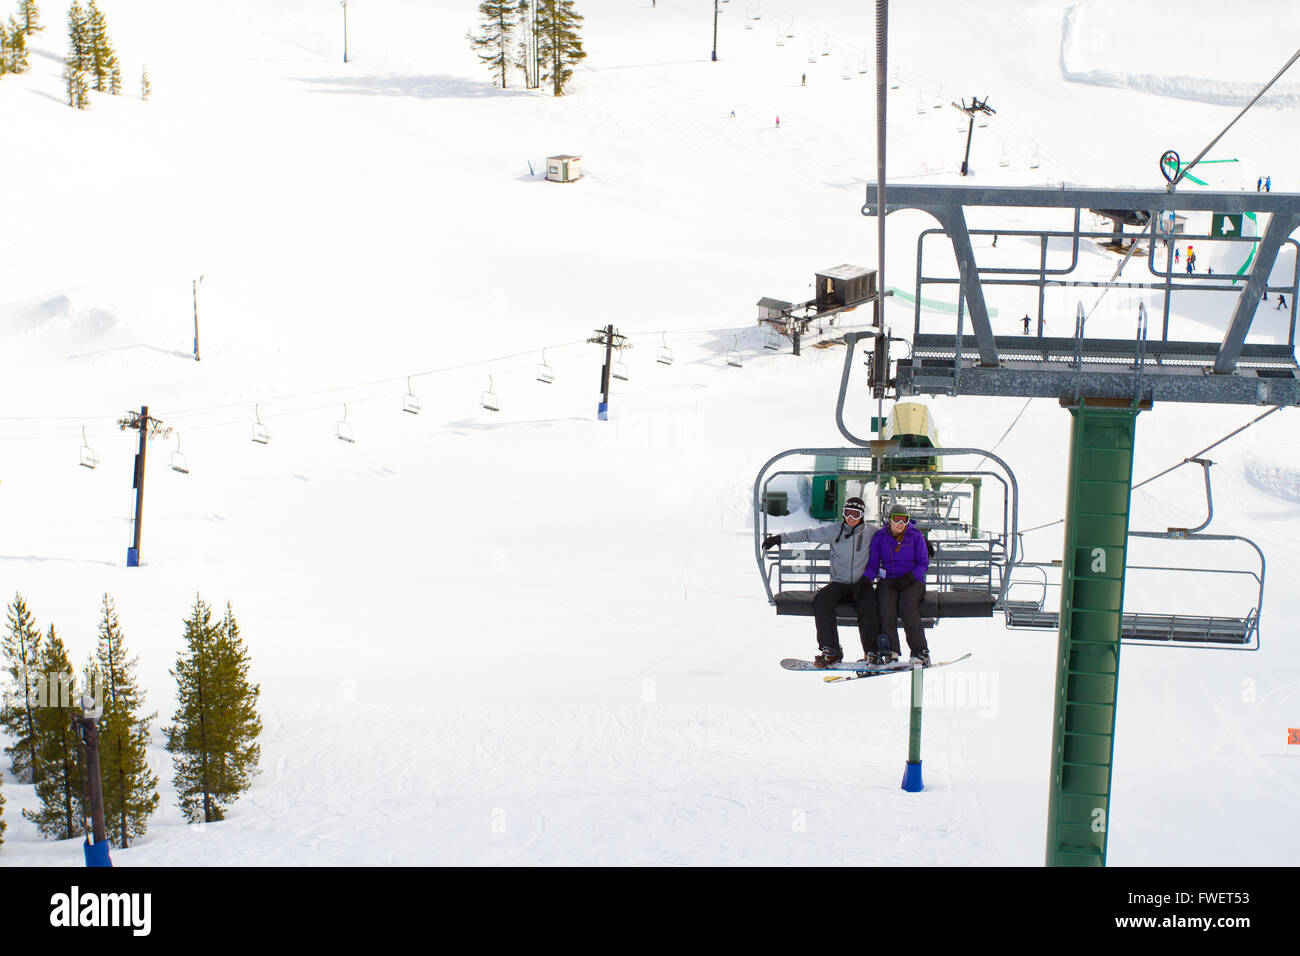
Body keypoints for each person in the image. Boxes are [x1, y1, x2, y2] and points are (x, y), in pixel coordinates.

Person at [762, 496, 880, 668]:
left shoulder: (871, 532)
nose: (851, 518)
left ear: (862, 515)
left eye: (856, 514)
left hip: (862, 583)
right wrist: (780, 538)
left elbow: (894, 535)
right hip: (839, 582)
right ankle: (831, 650)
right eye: (848, 513)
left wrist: (922, 541)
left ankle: (872, 652)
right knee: (822, 601)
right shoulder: (835, 530)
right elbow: (808, 535)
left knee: (869, 604)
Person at [864, 506, 931, 665]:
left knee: (908, 606)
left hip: (912, 580)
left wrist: (911, 576)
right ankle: (891, 650)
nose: (900, 523)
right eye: (896, 519)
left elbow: (923, 563)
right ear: (890, 520)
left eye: (904, 520)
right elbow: (873, 564)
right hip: (890, 579)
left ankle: (919, 650)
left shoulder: (915, 536)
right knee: (886, 606)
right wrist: (865, 581)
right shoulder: (880, 537)